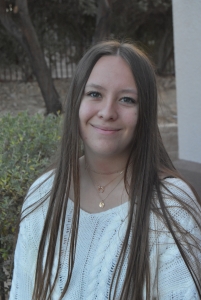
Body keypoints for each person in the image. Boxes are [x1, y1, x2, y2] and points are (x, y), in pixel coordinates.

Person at [9, 40, 201, 300]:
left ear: (144, 112)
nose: (107, 112)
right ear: (77, 100)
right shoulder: (43, 193)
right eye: (95, 94)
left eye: (126, 99)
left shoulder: (170, 207)